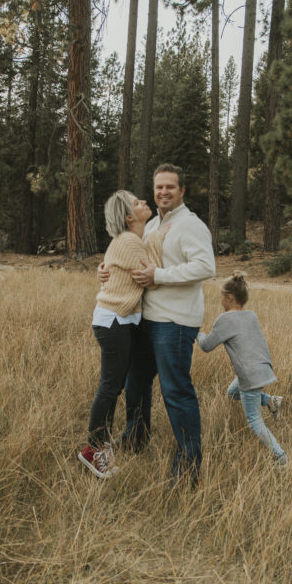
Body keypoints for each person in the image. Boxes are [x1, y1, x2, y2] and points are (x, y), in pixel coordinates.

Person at [101, 163, 216, 485]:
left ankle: (188, 466)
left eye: (170, 187)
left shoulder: (190, 225)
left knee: (175, 390)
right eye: (159, 187)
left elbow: (206, 266)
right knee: (135, 383)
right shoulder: (152, 224)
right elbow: (130, 256)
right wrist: (106, 270)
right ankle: (136, 437)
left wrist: (159, 275)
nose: (163, 192)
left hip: (174, 322)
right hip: (146, 319)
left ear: (182, 191)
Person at [79, 190, 170, 479]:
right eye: (136, 202)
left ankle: (101, 451)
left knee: (113, 386)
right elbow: (153, 280)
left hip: (117, 321)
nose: (143, 201)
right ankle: (93, 451)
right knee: (110, 387)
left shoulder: (130, 240)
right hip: (114, 321)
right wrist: (159, 238)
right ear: (129, 217)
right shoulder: (131, 241)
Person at [196, 271, 287, 465]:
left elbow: (206, 346)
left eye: (222, 296)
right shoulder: (251, 315)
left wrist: (197, 332)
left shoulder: (225, 319)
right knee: (232, 392)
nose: (220, 299)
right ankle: (271, 401)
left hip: (249, 375)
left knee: (254, 421)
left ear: (230, 297)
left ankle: (281, 457)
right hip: (264, 368)